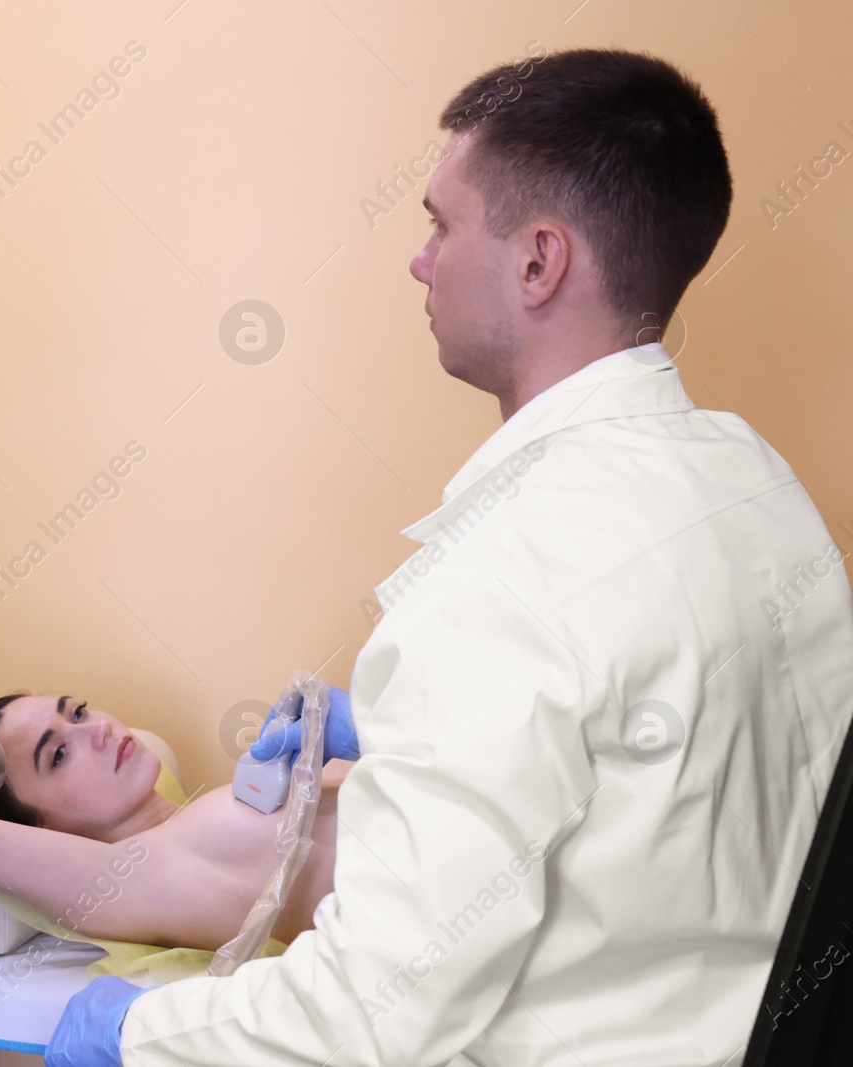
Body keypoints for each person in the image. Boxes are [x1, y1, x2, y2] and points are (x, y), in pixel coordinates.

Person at [45, 48, 853, 1067]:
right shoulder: (753, 479)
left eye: (439, 222)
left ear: (537, 261)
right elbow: (672, 753)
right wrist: (406, 726)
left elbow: (367, 1017)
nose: (419, 261)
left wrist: (130, 1031)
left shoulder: (501, 575)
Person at [0, 689, 358, 952]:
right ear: (38, 833)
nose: (98, 729)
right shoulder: (132, 878)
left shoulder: (200, 818)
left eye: (79, 712)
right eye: (60, 754)